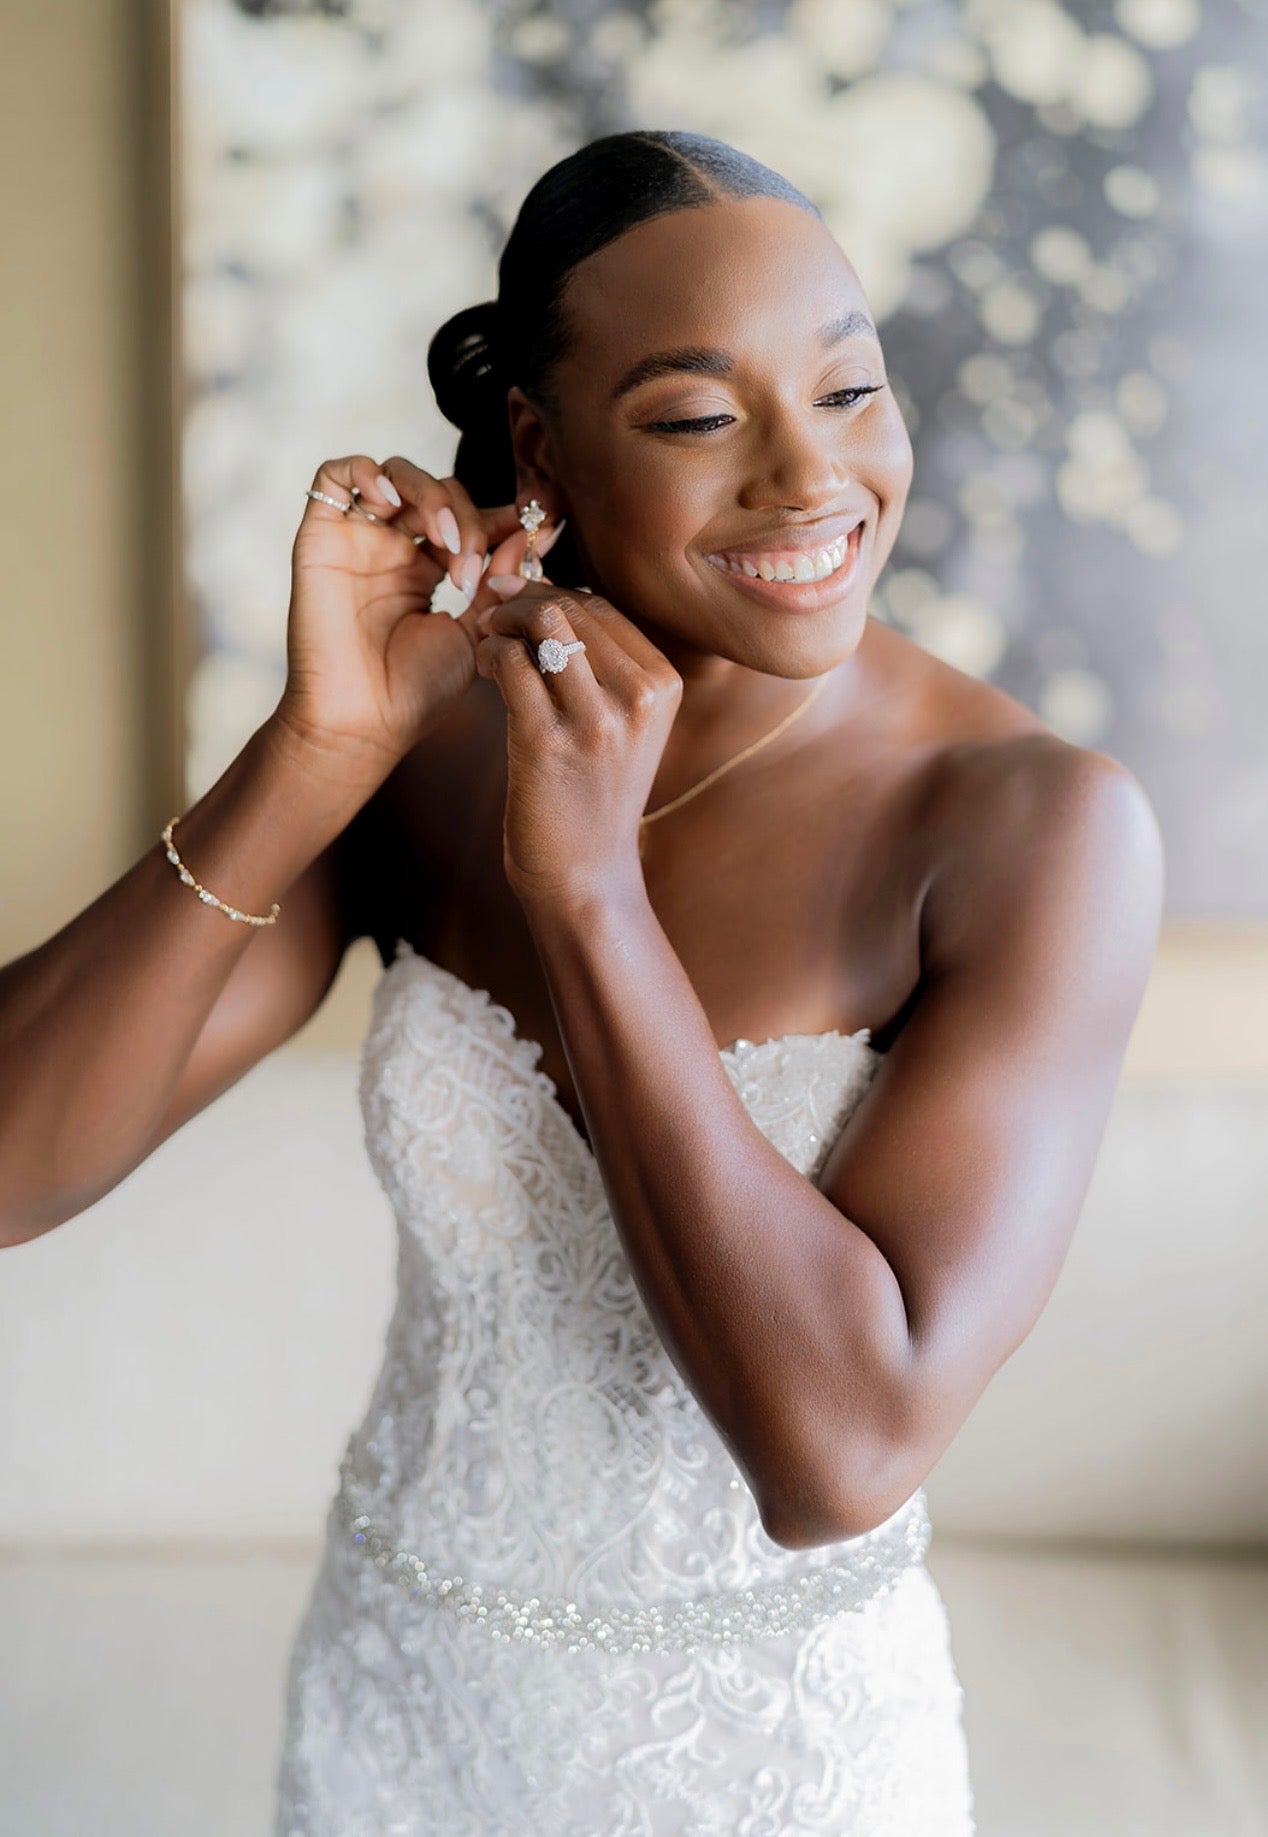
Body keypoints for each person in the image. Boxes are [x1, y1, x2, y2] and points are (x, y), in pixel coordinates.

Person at [0, 129, 1164, 1834]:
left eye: (849, 388)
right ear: (540, 446)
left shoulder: (1030, 827)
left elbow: (838, 1454)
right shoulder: (437, 746)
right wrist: (319, 748)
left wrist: (591, 894)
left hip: (763, 1768)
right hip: (396, 1716)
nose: (810, 480)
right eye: (700, 418)